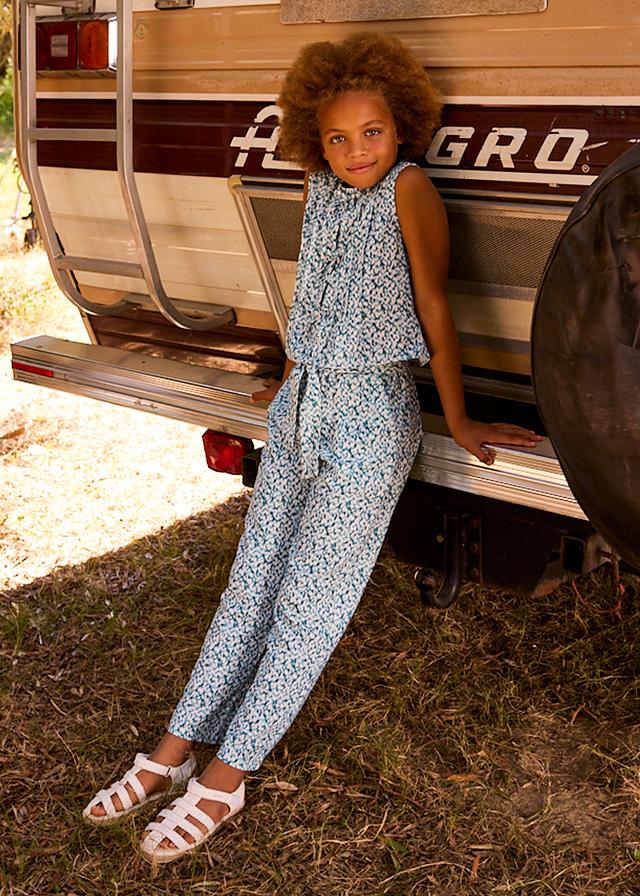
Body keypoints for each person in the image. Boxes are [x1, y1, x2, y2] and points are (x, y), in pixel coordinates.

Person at [82, 32, 541, 863]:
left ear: (400, 127)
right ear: (314, 141)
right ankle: (175, 749)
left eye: (371, 132)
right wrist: (292, 373)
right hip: (301, 407)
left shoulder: (411, 190)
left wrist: (462, 419)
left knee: (307, 608)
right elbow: (312, 290)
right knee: (250, 585)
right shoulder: (319, 187)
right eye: (337, 137)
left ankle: (227, 775)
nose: (356, 150)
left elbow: (435, 309)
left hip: (370, 417)